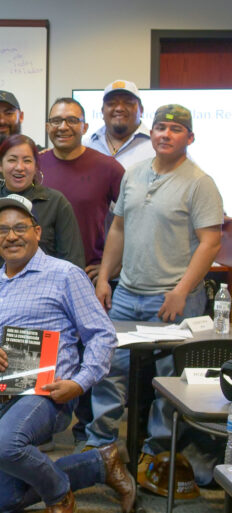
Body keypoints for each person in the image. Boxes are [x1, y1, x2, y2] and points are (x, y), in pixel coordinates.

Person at [0, 195, 135, 513]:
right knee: (4, 502)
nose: (12, 236)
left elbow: (102, 335)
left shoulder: (65, 275)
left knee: (0, 446)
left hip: (47, 395)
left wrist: (79, 383)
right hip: (1, 398)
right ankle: (99, 463)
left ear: (37, 232)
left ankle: (59, 496)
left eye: (20, 227)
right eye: (3, 230)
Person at [84, 104, 223, 487]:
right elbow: (117, 230)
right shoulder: (133, 174)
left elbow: (211, 242)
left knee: (169, 382)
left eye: (176, 129)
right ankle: (101, 446)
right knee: (108, 371)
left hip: (173, 301)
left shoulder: (200, 182)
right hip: (127, 294)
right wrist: (105, 279)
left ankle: (156, 453)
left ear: (189, 138)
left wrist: (181, 291)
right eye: (160, 127)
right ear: (152, 132)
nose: (165, 134)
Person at [38, 97, 125, 451]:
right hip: (40, 280)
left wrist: (108, 268)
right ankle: (39, 426)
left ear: (85, 127)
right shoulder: (35, 164)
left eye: (72, 120)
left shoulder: (109, 168)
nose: (63, 126)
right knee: (44, 354)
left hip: (88, 277)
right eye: (56, 120)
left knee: (90, 351)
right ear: (47, 126)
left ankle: (86, 433)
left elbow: (126, 223)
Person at [0, 134, 85, 299]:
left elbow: (73, 260)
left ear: (36, 166)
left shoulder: (56, 203)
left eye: (27, 161)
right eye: (12, 160)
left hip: (41, 298)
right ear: (0, 164)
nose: (19, 167)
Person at [83, 80, 154, 169]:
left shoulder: (156, 147)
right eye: (111, 103)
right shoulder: (86, 145)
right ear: (102, 111)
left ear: (141, 110)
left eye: (128, 103)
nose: (119, 108)